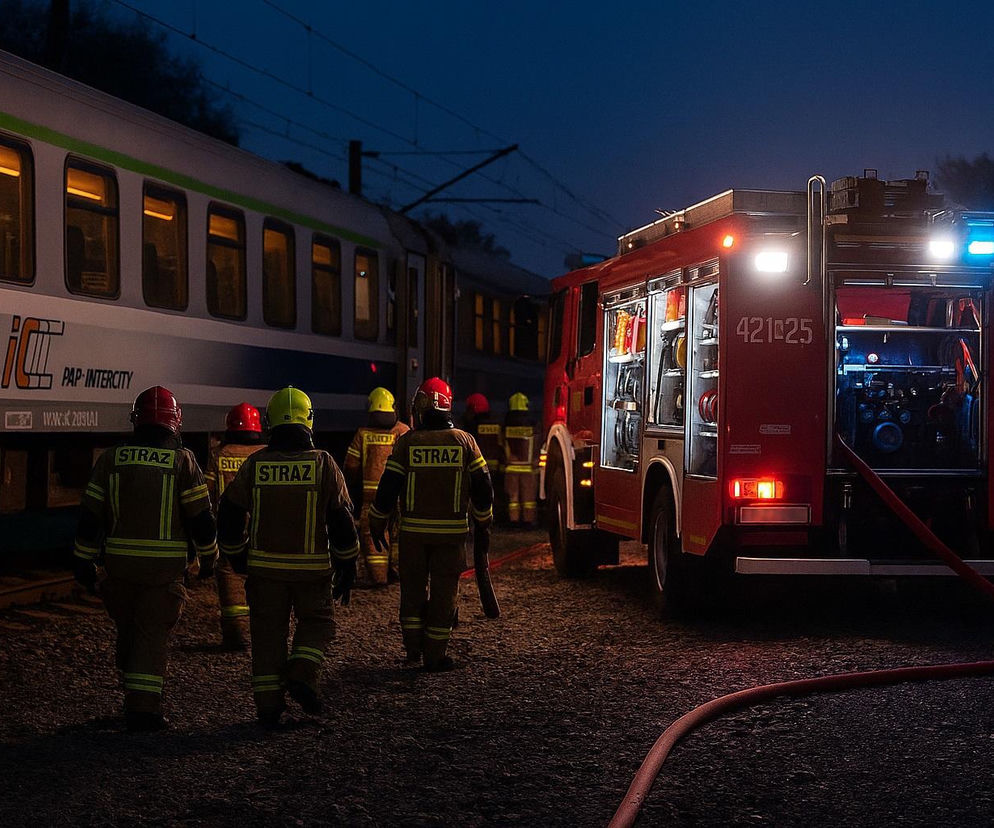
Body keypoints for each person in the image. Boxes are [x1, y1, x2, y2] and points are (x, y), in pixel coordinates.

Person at [72, 386, 217, 732]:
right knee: (150, 635)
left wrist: (83, 560)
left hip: (119, 568)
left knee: (128, 628)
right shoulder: (183, 461)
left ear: (136, 420)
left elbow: (90, 517)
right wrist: (209, 557)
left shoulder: (111, 460)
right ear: (175, 422)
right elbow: (201, 519)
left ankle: (131, 686)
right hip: (163, 573)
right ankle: (143, 710)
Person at [217, 386, 359, 727]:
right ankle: (303, 671)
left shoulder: (256, 464)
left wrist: (237, 555)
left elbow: (229, 512)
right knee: (318, 624)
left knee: (267, 637)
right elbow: (341, 519)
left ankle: (269, 708)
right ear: (309, 421)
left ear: (270, 423)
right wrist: (347, 563)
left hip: (264, 572)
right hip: (313, 572)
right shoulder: (324, 463)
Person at [369, 377, 493, 672]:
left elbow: (388, 486)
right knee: (444, 594)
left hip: (412, 535)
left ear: (422, 408)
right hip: (451, 536)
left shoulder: (407, 442)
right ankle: (435, 655)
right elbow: (483, 486)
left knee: (411, 591)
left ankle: (413, 648)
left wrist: (377, 519)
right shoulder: (465, 441)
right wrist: (483, 520)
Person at [204, 402, 266, 650]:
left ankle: (237, 635)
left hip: (229, 531)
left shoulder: (219, 455)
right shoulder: (266, 454)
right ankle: (265, 634)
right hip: (262, 532)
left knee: (229, 577)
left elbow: (208, 492)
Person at [343, 387, 409, 585]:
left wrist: (353, 485)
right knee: (399, 534)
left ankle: (379, 577)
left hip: (372, 498)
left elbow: (351, 466)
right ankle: (399, 572)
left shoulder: (362, 434)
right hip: (400, 496)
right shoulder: (403, 432)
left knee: (373, 535)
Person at [463, 392, 504, 522]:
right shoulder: (495, 423)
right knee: (493, 495)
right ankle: (495, 519)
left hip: (477, 467)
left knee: (478, 496)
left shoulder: (471, 425)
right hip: (495, 467)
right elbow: (501, 444)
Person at [501, 392, 540, 526]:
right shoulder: (532, 424)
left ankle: (514, 521)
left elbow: (501, 444)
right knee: (529, 499)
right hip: (529, 469)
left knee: (513, 499)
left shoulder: (506, 425)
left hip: (511, 468)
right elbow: (538, 444)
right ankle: (528, 522)